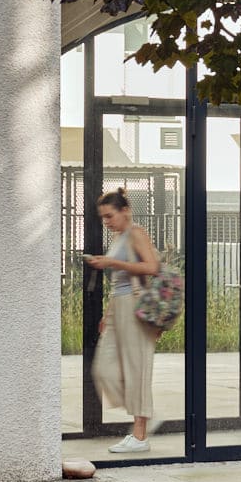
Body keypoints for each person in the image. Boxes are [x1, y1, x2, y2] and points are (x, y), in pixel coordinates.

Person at [86, 188, 162, 454]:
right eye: (103, 218)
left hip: (135, 305)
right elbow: (118, 280)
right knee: (103, 369)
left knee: (137, 367)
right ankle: (145, 411)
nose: (106, 222)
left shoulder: (136, 233)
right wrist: (108, 315)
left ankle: (139, 435)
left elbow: (152, 268)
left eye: (110, 216)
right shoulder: (118, 236)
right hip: (118, 306)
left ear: (125, 211)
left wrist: (111, 263)